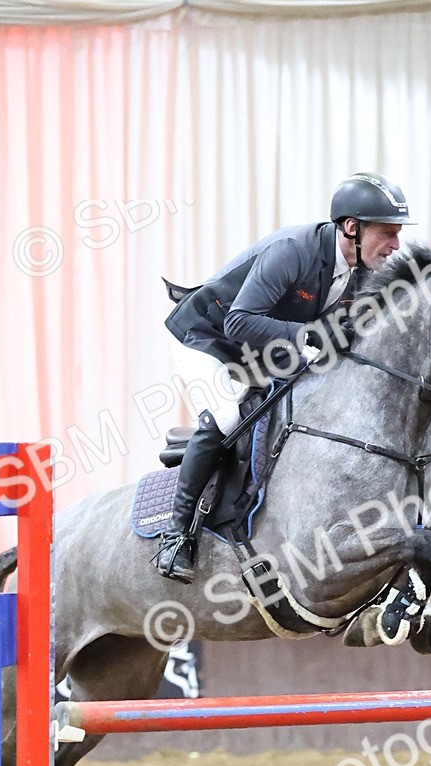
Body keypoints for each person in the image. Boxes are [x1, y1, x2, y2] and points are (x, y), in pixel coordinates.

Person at [155, 171, 415, 582]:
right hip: (205, 335)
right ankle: (176, 537)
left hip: (263, 343)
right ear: (352, 227)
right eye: (387, 233)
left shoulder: (363, 271)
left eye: (398, 233)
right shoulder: (292, 251)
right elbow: (239, 322)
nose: (396, 245)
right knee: (227, 418)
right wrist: (307, 335)